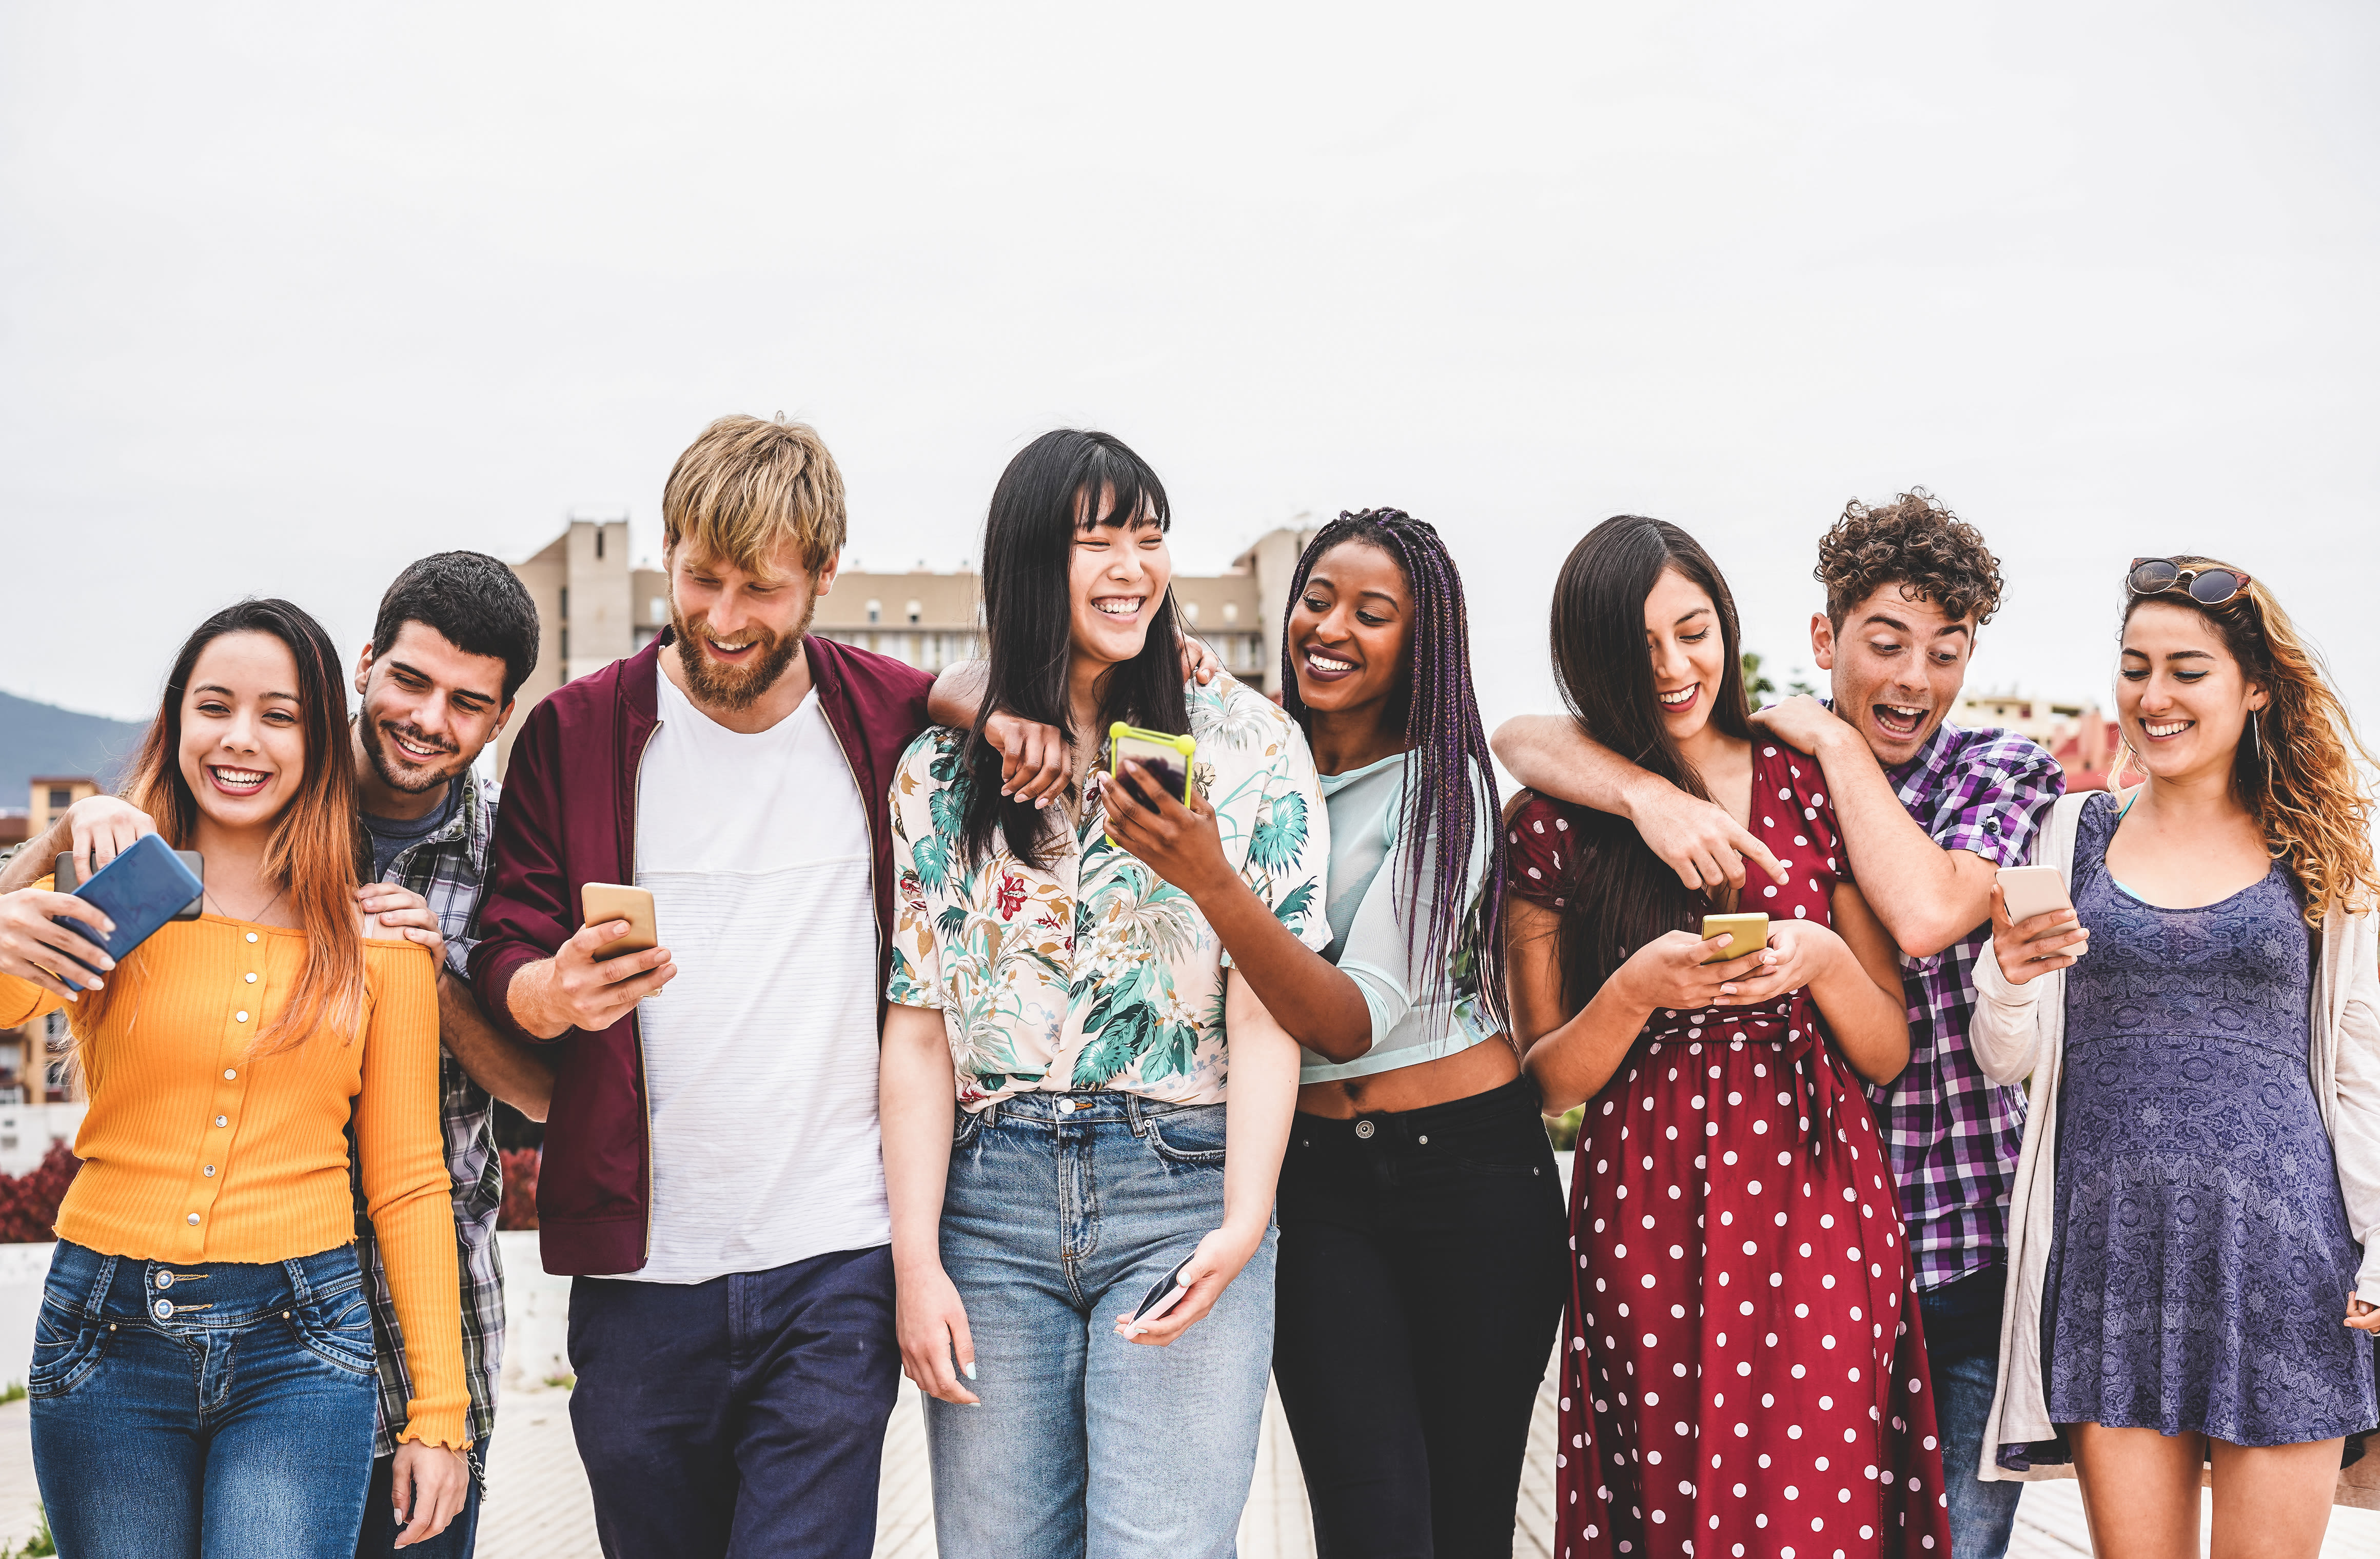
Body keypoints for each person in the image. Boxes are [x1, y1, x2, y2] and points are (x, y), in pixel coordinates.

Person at [1494, 490, 2060, 1559]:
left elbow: (1890, 1032)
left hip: (1823, 1197)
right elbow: (1548, 1077)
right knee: (1664, 1502)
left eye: (1693, 631)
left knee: (1816, 1511)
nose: (1672, 664)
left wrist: (1820, 958)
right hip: (1642, 1205)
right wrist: (1636, 988)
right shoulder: (1555, 819)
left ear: (1729, 628)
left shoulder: (1810, 779)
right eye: (1639, 641)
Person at [10, 555, 555, 1556]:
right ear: (176, 720)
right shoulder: (119, 895)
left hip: (301, 1342)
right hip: (106, 1337)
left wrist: (439, 1409)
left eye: (278, 715)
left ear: (316, 742)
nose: (242, 738)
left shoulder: (377, 934)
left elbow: (408, 1176)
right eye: (215, 706)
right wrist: (36, 868)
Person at [467, 415, 932, 1558]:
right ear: (668, 555)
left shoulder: (892, 721)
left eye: (760, 588)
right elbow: (504, 948)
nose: (724, 619)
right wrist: (551, 993)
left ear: (825, 574)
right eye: (699, 578)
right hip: (640, 1272)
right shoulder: (573, 733)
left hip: (838, 1259)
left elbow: (1012, 698)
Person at [1070, 508, 1565, 1556]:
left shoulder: (1447, 790)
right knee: (1371, 1521)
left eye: (1371, 613)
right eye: (1315, 598)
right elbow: (997, 682)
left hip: (1473, 1183)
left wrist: (1208, 875)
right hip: (1317, 1181)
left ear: (1421, 643)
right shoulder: (1238, 758)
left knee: (1466, 1526)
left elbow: (1346, 1020)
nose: (1330, 627)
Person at [878, 429, 1328, 1559]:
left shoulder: (1247, 745)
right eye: (1097, 540)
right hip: (988, 1210)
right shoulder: (940, 773)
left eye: (1150, 535)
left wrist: (1244, 1216)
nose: (1133, 565)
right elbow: (920, 1033)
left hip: (1178, 1186)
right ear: (1031, 562)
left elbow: (1264, 1007)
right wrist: (915, 1259)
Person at [1973, 556, 2380, 1556]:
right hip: (2113, 1258)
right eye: (2133, 665)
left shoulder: (2326, 840)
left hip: (2287, 1262)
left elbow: (2359, 1063)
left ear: (2254, 687)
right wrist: (2007, 973)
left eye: (2185, 669)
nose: (2151, 696)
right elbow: (2004, 1057)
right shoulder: (2072, 830)